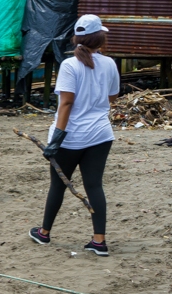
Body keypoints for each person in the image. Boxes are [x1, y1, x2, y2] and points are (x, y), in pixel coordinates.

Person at [29, 14, 120, 256]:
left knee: (57, 186)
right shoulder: (110, 64)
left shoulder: (69, 66)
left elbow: (66, 104)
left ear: (77, 37)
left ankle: (44, 233)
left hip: (71, 137)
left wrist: (56, 138)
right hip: (100, 134)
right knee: (94, 186)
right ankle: (99, 241)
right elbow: (111, 97)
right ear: (100, 37)